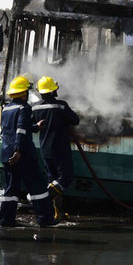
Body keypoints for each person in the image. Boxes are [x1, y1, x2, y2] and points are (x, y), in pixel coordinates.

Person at [0, 75, 56, 227]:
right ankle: (45, 219)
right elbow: (20, 130)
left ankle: (6, 220)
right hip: (22, 155)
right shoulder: (24, 108)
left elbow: (10, 130)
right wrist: (18, 150)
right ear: (23, 93)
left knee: (11, 190)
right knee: (37, 186)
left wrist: (36, 126)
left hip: (6, 154)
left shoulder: (7, 108)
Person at [32, 76, 80, 222]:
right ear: (53, 91)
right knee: (66, 178)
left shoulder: (35, 107)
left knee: (53, 181)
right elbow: (75, 120)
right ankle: (43, 197)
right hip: (60, 148)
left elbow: (33, 126)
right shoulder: (61, 105)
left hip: (45, 149)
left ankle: (57, 213)